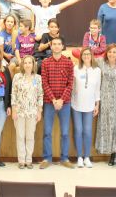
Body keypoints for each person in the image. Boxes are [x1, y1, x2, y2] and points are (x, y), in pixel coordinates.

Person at [39, 37, 74, 169]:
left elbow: (70, 84)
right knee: (47, 132)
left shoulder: (69, 63)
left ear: (63, 46)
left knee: (65, 132)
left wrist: (61, 100)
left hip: (64, 103)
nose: (57, 46)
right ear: (51, 46)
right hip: (49, 102)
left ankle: (64, 158)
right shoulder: (45, 63)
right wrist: (54, 99)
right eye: (54, 44)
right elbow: (44, 83)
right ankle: (47, 158)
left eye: (59, 44)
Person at [5, 0, 87, 40]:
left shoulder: (54, 8)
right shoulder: (36, 9)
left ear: (50, 0)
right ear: (40, 0)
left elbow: (67, 3)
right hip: (38, 37)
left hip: (50, 37)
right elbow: (24, 3)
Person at [95, 44, 116, 166]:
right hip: (105, 98)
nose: (112, 54)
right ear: (106, 53)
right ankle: (110, 153)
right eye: (110, 52)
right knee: (107, 124)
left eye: (114, 52)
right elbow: (79, 54)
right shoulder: (100, 62)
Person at [11, 55, 43, 169]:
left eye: (30, 63)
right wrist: (14, 109)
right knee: (20, 136)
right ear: (22, 65)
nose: (28, 65)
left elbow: (40, 95)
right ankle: (21, 160)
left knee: (30, 136)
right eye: (26, 63)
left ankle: (28, 160)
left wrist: (39, 111)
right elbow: (13, 94)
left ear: (33, 64)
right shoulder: (17, 77)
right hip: (19, 111)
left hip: (32, 112)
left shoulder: (38, 78)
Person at [71, 48, 101, 168]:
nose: (87, 56)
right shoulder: (76, 69)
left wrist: (97, 104)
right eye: (84, 54)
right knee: (78, 130)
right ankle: (79, 156)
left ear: (92, 56)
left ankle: (87, 157)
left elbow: (98, 88)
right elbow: (72, 87)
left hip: (90, 105)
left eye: (89, 54)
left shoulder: (97, 70)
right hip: (76, 104)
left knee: (87, 131)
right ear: (81, 56)